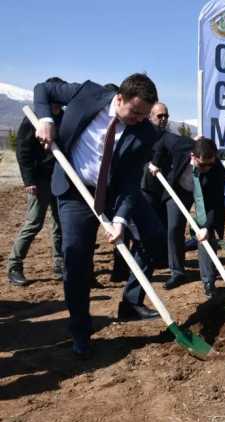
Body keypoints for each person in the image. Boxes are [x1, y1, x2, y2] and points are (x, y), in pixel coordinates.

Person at [33, 73, 161, 358]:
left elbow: (129, 182)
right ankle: (80, 331)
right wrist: (46, 119)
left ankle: (132, 303)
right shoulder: (87, 94)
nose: (140, 118)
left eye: (145, 114)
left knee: (153, 238)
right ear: (119, 99)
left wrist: (120, 220)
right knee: (76, 257)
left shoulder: (145, 133)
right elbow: (43, 89)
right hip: (74, 190)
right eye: (135, 111)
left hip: (113, 192)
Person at [149, 137, 225, 298]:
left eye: (210, 164)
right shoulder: (180, 145)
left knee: (206, 236)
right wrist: (155, 162)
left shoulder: (218, 171)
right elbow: (162, 141)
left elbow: (215, 203)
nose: (207, 168)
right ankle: (177, 272)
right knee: (174, 227)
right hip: (178, 189)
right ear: (193, 156)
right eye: (203, 164)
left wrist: (207, 226)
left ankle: (208, 281)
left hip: (205, 197)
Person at [8, 77, 66, 286]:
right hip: (39, 179)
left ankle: (59, 264)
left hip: (58, 179)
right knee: (34, 222)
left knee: (60, 223)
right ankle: (14, 265)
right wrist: (29, 180)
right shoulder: (34, 119)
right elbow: (23, 152)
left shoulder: (65, 118)